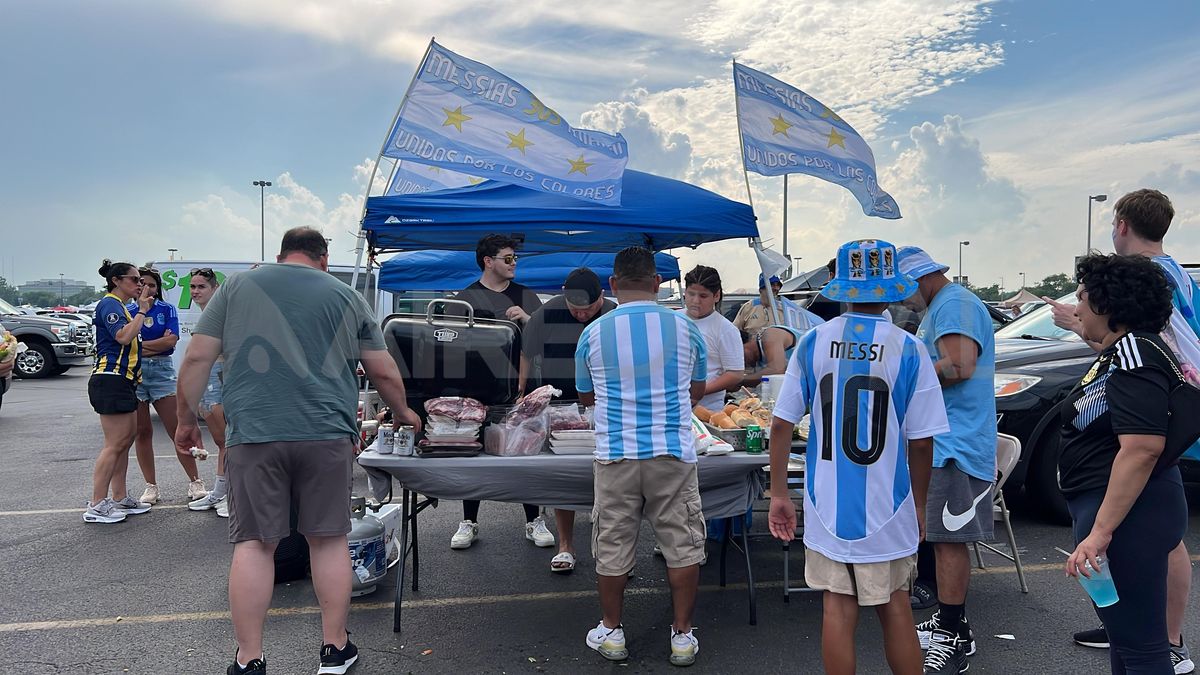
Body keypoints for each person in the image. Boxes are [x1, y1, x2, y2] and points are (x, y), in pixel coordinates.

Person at [174, 227, 423, 675]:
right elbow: (382, 370)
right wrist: (403, 411)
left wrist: (186, 422)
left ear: (280, 255)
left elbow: (196, 359)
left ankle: (248, 660)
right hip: (326, 434)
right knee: (327, 541)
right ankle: (335, 649)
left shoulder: (237, 288)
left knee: (255, 545)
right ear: (323, 258)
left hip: (254, 434)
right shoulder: (345, 295)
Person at [768, 239, 948, 675]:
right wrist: (919, 505)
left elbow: (781, 423)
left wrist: (779, 494)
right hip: (889, 504)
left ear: (842, 287)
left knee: (837, 607)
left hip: (827, 502)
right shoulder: (909, 348)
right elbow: (922, 442)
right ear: (892, 288)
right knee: (896, 605)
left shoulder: (813, 342)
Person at [1044, 189, 1194, 673]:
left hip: (1130, 518)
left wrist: (1100, 533)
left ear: (1109, 304)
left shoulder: (1135, 355)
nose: (1078, 309)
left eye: (1082, 298)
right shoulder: (1122, 351)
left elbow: (1142, 448)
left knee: (1142, 645)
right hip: (1122, 512)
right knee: (1127, 642)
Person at [576, 246, 708, 668]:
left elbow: (585, 396)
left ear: (613, 284)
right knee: (682, 544)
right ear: (657, 282)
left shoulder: (593, 333)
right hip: (672, 452)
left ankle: (612, 630)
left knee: (612, 543)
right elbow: (697, 390)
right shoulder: (686, 328)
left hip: (615, 452)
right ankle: (682, 635)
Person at [896, 246, 997, 674]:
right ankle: (953, 623)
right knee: (941, 539)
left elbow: (958, 366)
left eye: (902, 290)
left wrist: (902, 378)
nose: (902, 301)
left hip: (955, 444)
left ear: (919, 279)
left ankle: (953, 636)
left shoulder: (954, 304)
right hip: (946, 441)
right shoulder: (945, 304)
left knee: (948, 541)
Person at [449, 234, 549, 551]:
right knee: (474, 457)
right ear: (488, 261)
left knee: (527, 455)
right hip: (477, 394)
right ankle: (469, 521)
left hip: (522, 392)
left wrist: (528, 320)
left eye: (515, 257)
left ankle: (534, 520)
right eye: (508, 258)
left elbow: (545, 341)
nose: (514, 263)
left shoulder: (526, 295)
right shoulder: (465, 299)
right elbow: (450, 348)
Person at [518, 267, 616, 574]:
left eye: (589, 309)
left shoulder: (613, 314)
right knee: (564, 475)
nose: (582, 315)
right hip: (560, 407)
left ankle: (611, 551)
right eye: (575, 310)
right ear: (564, 295)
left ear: (602, 297)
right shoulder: (546, 314)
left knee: (612, 477)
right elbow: (525, 353)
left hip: (605, 404)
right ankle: (565, 545)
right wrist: (519, 392)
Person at [84, 260, 155, 523]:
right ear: (116, 280)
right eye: (135, 279)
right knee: (115, 444)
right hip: (110, 378)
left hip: (123, 381)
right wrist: (142, 312)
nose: (140, 285)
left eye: (142, 281)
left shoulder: (122, 306)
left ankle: (119, 496)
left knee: (125, 441)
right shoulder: (110, 304)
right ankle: (96, 504)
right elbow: (123, 337)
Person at [129, 265, 206, 506]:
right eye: (143, 283)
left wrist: (139, 345)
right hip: (135, 372)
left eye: (152, 285)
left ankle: (195, 481)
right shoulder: (128, 310)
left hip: (162, 371)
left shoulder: (166, 309)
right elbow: (124, 342)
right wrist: (147, 345)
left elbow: (170, 341)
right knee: (142, 432)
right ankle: (151, 486)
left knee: (178, 429)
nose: (147, 288)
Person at [185, 268, 230, 519]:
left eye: (201, 286)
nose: (195, 291)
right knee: (221, 441)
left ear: (215, 289)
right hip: (208, 381)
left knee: (229, 440)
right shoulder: (206, 315)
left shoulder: (223, 315)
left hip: (222, 379)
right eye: (192, 287)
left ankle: (232, 495)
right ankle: (221, 491)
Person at [681, 265, 745, 413]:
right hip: (672, 407)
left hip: (707, 411)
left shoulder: (725, 329)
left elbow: (735, 374)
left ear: (716, 296)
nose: (696, 301)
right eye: (691, 294)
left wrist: (698, 391)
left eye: (703, 296)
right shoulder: (673, 319)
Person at [732, 273, 824, 335]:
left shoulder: (785, 308)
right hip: (753, 355)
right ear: (761, 289)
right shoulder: (748, 307)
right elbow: (734, 331)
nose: (776, 288)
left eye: (777, 285)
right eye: (772, 285)